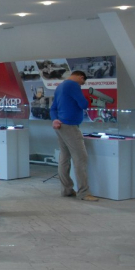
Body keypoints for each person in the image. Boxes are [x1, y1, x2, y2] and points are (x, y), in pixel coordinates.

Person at [50, 70, 98, 201]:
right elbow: (83, 104)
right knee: (81, 158)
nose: (81, 85)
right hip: (70, 126)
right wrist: (88, 99)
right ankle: (84, 192)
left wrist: (54, 119)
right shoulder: (73, 85)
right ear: (81, 77)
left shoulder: (60, 86)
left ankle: (66, 189)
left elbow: (53, 108)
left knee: (64, 158)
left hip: (60, 126)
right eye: (83, 82)